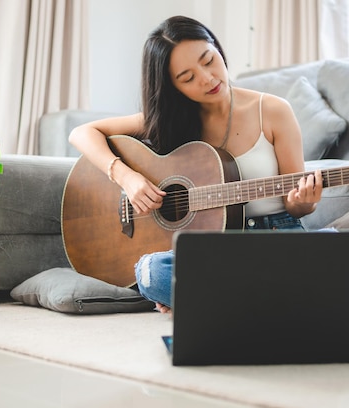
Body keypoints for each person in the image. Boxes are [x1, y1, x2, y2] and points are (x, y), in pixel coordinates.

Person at [69, 15, 323, 313]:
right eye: (187, 78)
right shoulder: (170, 122)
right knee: (152, 271)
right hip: (215, 249)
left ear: (217, 48)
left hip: (275, 237)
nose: (207, 78)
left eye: (208, 59)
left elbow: (295, 204)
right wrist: (126, 177)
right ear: (173, 87)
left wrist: (304, 203)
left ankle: (208, 301)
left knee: (338, 251)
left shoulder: (273, 110)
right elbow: (82, 133)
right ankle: (261, 301)